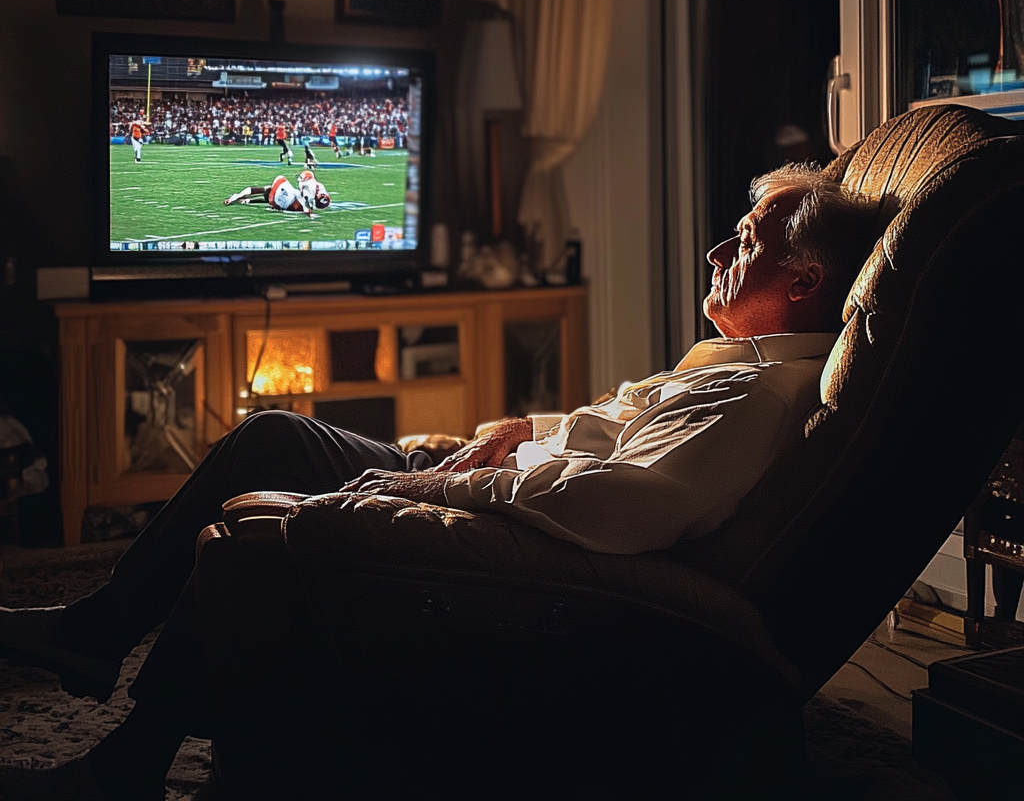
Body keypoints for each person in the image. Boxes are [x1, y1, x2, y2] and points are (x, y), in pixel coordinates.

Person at [0, 162, 877, 800]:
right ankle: (98, 636)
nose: (722, 248)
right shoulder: (740, 361)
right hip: (488, 473)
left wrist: (430, 491)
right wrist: (521, 429)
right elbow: (610, 439)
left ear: (802, 282)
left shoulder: (755, 391)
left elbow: (620, 507)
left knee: (263, 507)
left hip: (497, 528)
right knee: (276, 437)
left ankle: (121, 745)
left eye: (749, 241)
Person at [222, 170, 329, 214]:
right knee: (269, 193)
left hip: (283, 200)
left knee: (276, 183)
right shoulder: (310, 189)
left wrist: (235, 197)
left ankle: (246, 200)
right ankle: (247, 200)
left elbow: (250, 190)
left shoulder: (304, 188)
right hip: (282, 203)